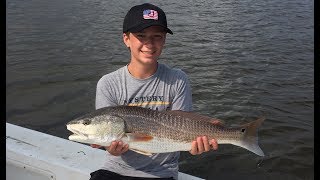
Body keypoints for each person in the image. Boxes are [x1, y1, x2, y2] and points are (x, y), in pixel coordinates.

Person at [89, 3, 218, 180]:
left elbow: (186, 124)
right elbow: (107, 137)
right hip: (115, 170)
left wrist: (195, 145)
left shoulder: (178, 79)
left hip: (162, 173)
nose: (149, 44)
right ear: (126, 39)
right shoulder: (108, 83)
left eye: (157, 36)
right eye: (141, 36)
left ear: (164, 40)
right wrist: (110, 148)